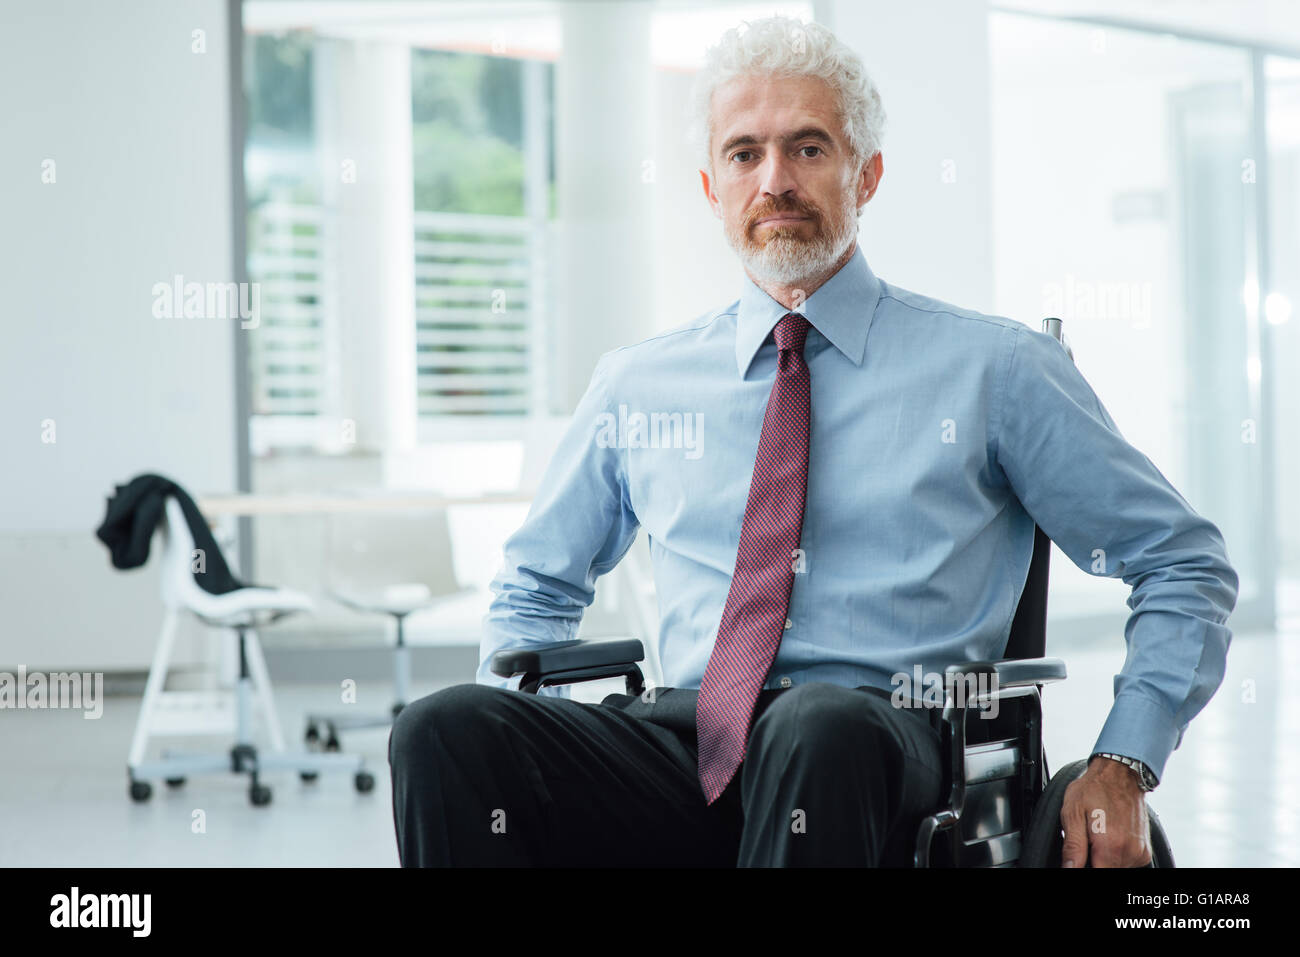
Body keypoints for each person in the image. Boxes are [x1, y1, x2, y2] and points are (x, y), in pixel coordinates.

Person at [388, 14, 1238, 867]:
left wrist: (1124, 758)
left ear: (865, 175)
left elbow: (1182, 560)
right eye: (744, 153)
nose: (774, 181)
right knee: (444, 729)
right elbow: (534, 585)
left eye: (808, 148)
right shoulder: (638, 385)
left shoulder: (996, 369)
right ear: (710, 184)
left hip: (894, 743)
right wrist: (513, 720)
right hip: (690, 742)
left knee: (814, 722)